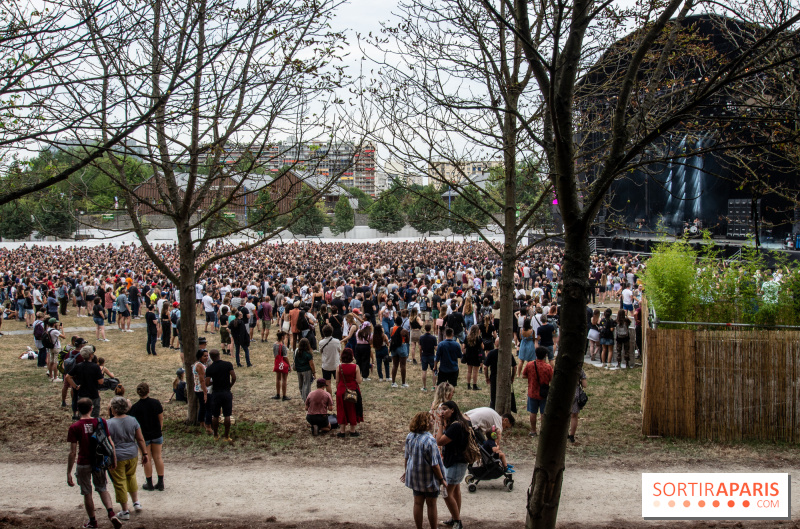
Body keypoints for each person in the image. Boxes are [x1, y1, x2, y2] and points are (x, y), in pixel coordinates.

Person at [67, 397, 123, 529]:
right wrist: (113, 458)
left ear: (77, 410)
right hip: (98, 462)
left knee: (87, 492)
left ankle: (93, 521)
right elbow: (110, 442)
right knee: (102, 488)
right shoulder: (101, 422)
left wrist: (69, 472)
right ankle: (111, 513)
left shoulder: (75, 427)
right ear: (92, 408)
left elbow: (72, 452)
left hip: (83, 462)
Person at [402, 411, 446, 529]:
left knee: (417, 502)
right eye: (430, 421)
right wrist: (442, 479)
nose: (432, 422)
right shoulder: (429, 440)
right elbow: (435, 464)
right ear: (425, 423)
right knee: (431, 504)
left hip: (415, 476)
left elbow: (407, 456)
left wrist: (407, 472)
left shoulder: (410, 436)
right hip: (428, 478)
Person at [107, 396, 147, 520]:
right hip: (132, 454)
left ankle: (125, 510)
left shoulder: (109, 423)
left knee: (119, 482)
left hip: (117, 456)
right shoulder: (133, 420)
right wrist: (144, 453)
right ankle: (136, 502)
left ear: (113, 409)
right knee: (131, 477)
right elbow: (140, 438)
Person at [435, 400, 469, 529]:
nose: (442, 412)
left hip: (456, 463)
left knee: (446, 493)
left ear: (452, 410)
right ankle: (454, 517)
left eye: (445, 409)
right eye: (441, 409)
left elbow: (440, 441)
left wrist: (440, 425)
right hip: (455, 462)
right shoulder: (458, 423)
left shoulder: (456, 426)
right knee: (456, 491)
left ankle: (457, 521)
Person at [128, 383, 165, 491]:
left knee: (146, 458)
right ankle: (161, 482)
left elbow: (134, 425)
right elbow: (161, 418)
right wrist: (159, 429)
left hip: (143, 436)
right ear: (148, 391)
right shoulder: (156, 403)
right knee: (158, 457)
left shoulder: (135, 408)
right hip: (156, 434)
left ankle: (149, 483)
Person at [204, 349, 236, 441]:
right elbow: (233, 377)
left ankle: (215, 435)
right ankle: (226, 436)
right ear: (219, 355)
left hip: (216, 393)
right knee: (227, 415)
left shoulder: (210, 368)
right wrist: (230, 385)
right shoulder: (227, 364)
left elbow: (207, 383)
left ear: (211, 357)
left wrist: (214, 382)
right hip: (226, 391)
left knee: (215, 415)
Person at [66, 346, 105, 419]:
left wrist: (75, 386)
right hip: (93, 394)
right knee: (94, 417)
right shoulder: (95, 367)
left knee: (83, 416)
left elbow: (68, 377)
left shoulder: (78, 366)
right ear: (90, 355)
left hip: (82, 394)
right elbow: (100, 381)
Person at [522, 346, 553, 437]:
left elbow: (523, 376)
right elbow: (551, 379)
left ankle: (533, 430)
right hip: (544, 393)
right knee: (543, 413)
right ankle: (543, 431)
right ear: (545, 356)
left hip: (532, 391)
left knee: (533, 412)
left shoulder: (530, 365)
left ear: (536, 354)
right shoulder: (548, 367)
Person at [484, 336, 517, 412]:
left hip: (494, 377)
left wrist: (487, 377)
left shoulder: (491, 353)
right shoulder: (508, 353)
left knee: (494, 396)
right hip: (506, 377)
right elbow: (514, 367)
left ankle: (493, 410)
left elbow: (485, 367)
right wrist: (512, 377)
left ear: (495, 344)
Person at [335, 347, 363, 437]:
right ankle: (352, 430)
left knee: (341, 409)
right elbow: (359, 381)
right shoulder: (356, 367)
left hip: (342, 390)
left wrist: (338, 389)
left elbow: (337, 381)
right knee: (352, 409)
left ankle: (342, 431)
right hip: (353, 390)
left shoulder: (339, 367)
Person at [193, 349, 214, 434]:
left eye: (207, 355)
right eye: (204, 356)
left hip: (199, 389)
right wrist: (205, 393)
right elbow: (202, 380)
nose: (206, 357)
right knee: (209, 408)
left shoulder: (198, 364)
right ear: (200, 357)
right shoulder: (200, 366)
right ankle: (208, 427)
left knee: (202, 406)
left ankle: (201, 422)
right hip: (202, 389)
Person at [318, 325, 341, 395]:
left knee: (327, 383)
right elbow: (339, 350)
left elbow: (320, 352)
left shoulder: (321, 342)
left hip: (326, 365)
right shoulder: (337, 341)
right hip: (336, 364)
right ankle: (339, 395)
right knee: (338, 381)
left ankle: (330, 398)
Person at [569, 369, 588, 443]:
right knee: (574, 416)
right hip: (575, 393)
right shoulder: (579, 369)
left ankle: (564, 433)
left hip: (564, 393)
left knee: (565, 415)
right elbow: (585, 385)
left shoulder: (563, 367)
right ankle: (572, 435)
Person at [294, 337, 316, 402]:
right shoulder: (308, 354)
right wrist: (314, 372)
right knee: (306, 385)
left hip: (299, 370)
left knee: (300, 385)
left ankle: (303, 396)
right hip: (306, 370)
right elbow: (311, 364)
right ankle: (307, 398)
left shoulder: (297, 352)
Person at [462, 325, 483, 391]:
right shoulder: (479, 338)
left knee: (469, 371)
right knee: (475, 372)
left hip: (469, 355)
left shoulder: (467, 337)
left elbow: (463, 347)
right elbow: (482, 347)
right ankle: (474, 385)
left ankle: (468, 385)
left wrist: (464, 352)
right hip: (476, 356)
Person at [390, 318, 410, 388]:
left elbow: (391, 337)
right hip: (402, 346)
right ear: (401, 322)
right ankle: (403, 383)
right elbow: (407, 340)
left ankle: (393, 382)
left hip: (394, 347)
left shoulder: (391, 329)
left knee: (395, 365)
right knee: (403, 365)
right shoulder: (404, 330)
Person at [272, 331, 291, 400]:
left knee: (278, 378)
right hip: (283, 363)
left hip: (277, 363)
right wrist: (289, 365)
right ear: (282, 337)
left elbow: (275, 355)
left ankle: (278, 394)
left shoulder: (274, 345)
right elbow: (285, 357)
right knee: (284, 380)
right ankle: (284, 395)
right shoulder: (283, 346)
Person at [419, 323, 437, 391]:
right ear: (430, 329)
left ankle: (424, 387)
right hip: (432, 355)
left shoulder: (421, 338)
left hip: (424, 355)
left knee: (424, 371)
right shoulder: (433, 338)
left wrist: (420, 356)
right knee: (434, 371)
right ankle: (433, 386)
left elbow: (420, 348)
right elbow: (436, 348)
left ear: (424, 329)